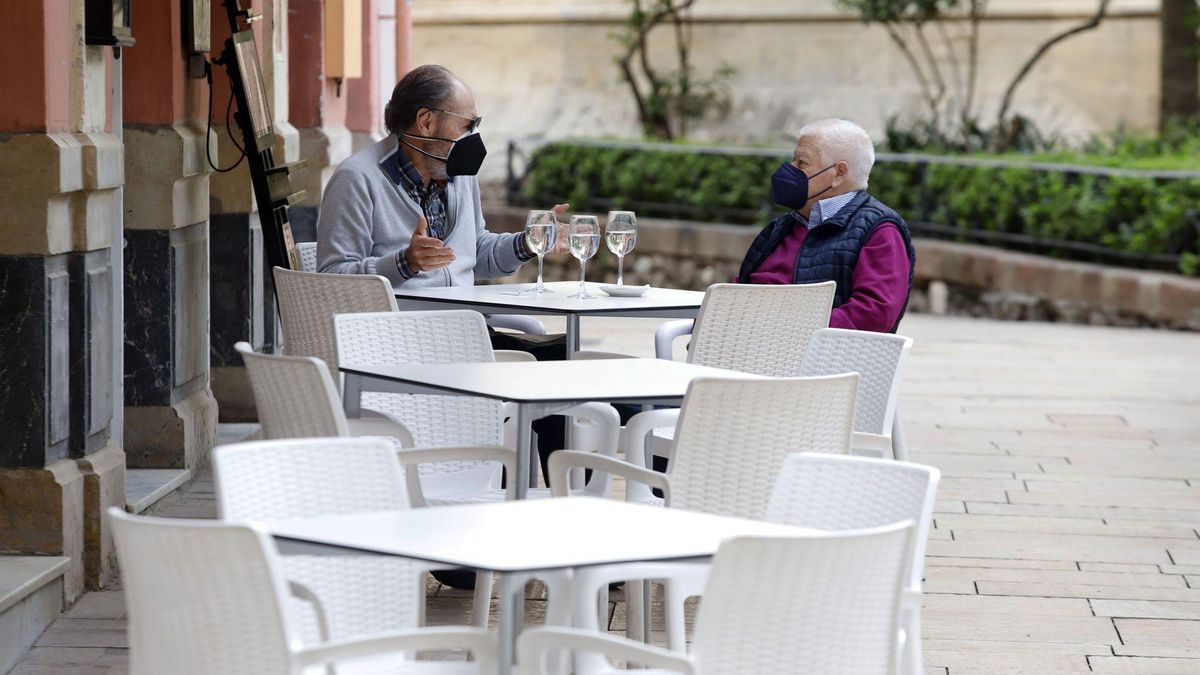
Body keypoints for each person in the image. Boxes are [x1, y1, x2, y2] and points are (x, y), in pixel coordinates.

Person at [315, 65, 571, 588]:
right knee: (548, 369)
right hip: (401, 344)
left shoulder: (461, 176)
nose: (474, 136)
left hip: (465, 332)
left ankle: (569, 535)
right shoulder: (356, 179)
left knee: (562, 368)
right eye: (467, 123)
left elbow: (475, 254)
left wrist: (526, 242)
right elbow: (332, 280)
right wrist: (402, 263)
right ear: (426, 121)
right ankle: (481, 528)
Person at [736, 119, 916, 333]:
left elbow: (874, 314)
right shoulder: (781, 227)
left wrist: (784, 329)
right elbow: (738, 291)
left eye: (802, 163)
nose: (790, 170)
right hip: (748, 345)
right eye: (793, 160)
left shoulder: (880, 231)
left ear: (839, 174)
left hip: (816, 357)